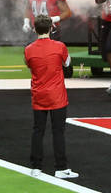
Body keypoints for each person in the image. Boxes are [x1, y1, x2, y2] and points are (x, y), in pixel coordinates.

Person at [25, 14, 78, 181]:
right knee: (58, 132)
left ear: (35, 29)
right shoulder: (60, 46)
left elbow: (29, 65)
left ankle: (35, 167)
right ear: (51, 28)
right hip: (57, 96)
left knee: (38, 131)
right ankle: (61, 167)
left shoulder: (28, 49)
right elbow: (67, 64)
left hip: (39, 95)